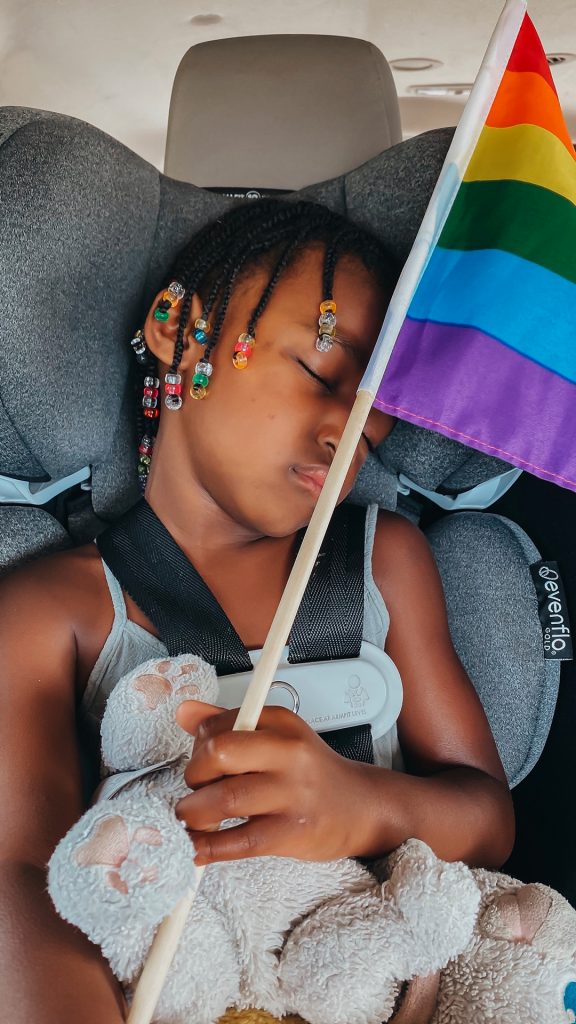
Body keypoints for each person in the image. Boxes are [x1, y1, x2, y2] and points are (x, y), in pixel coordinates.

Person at [0, 199, 515, 1023]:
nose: (347, 433)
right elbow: (21, 881)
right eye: (319, 373)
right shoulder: (53, 609)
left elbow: (487, 818)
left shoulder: (384, 563)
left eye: (375, 428)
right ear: (179, 327)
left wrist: (365, 806)